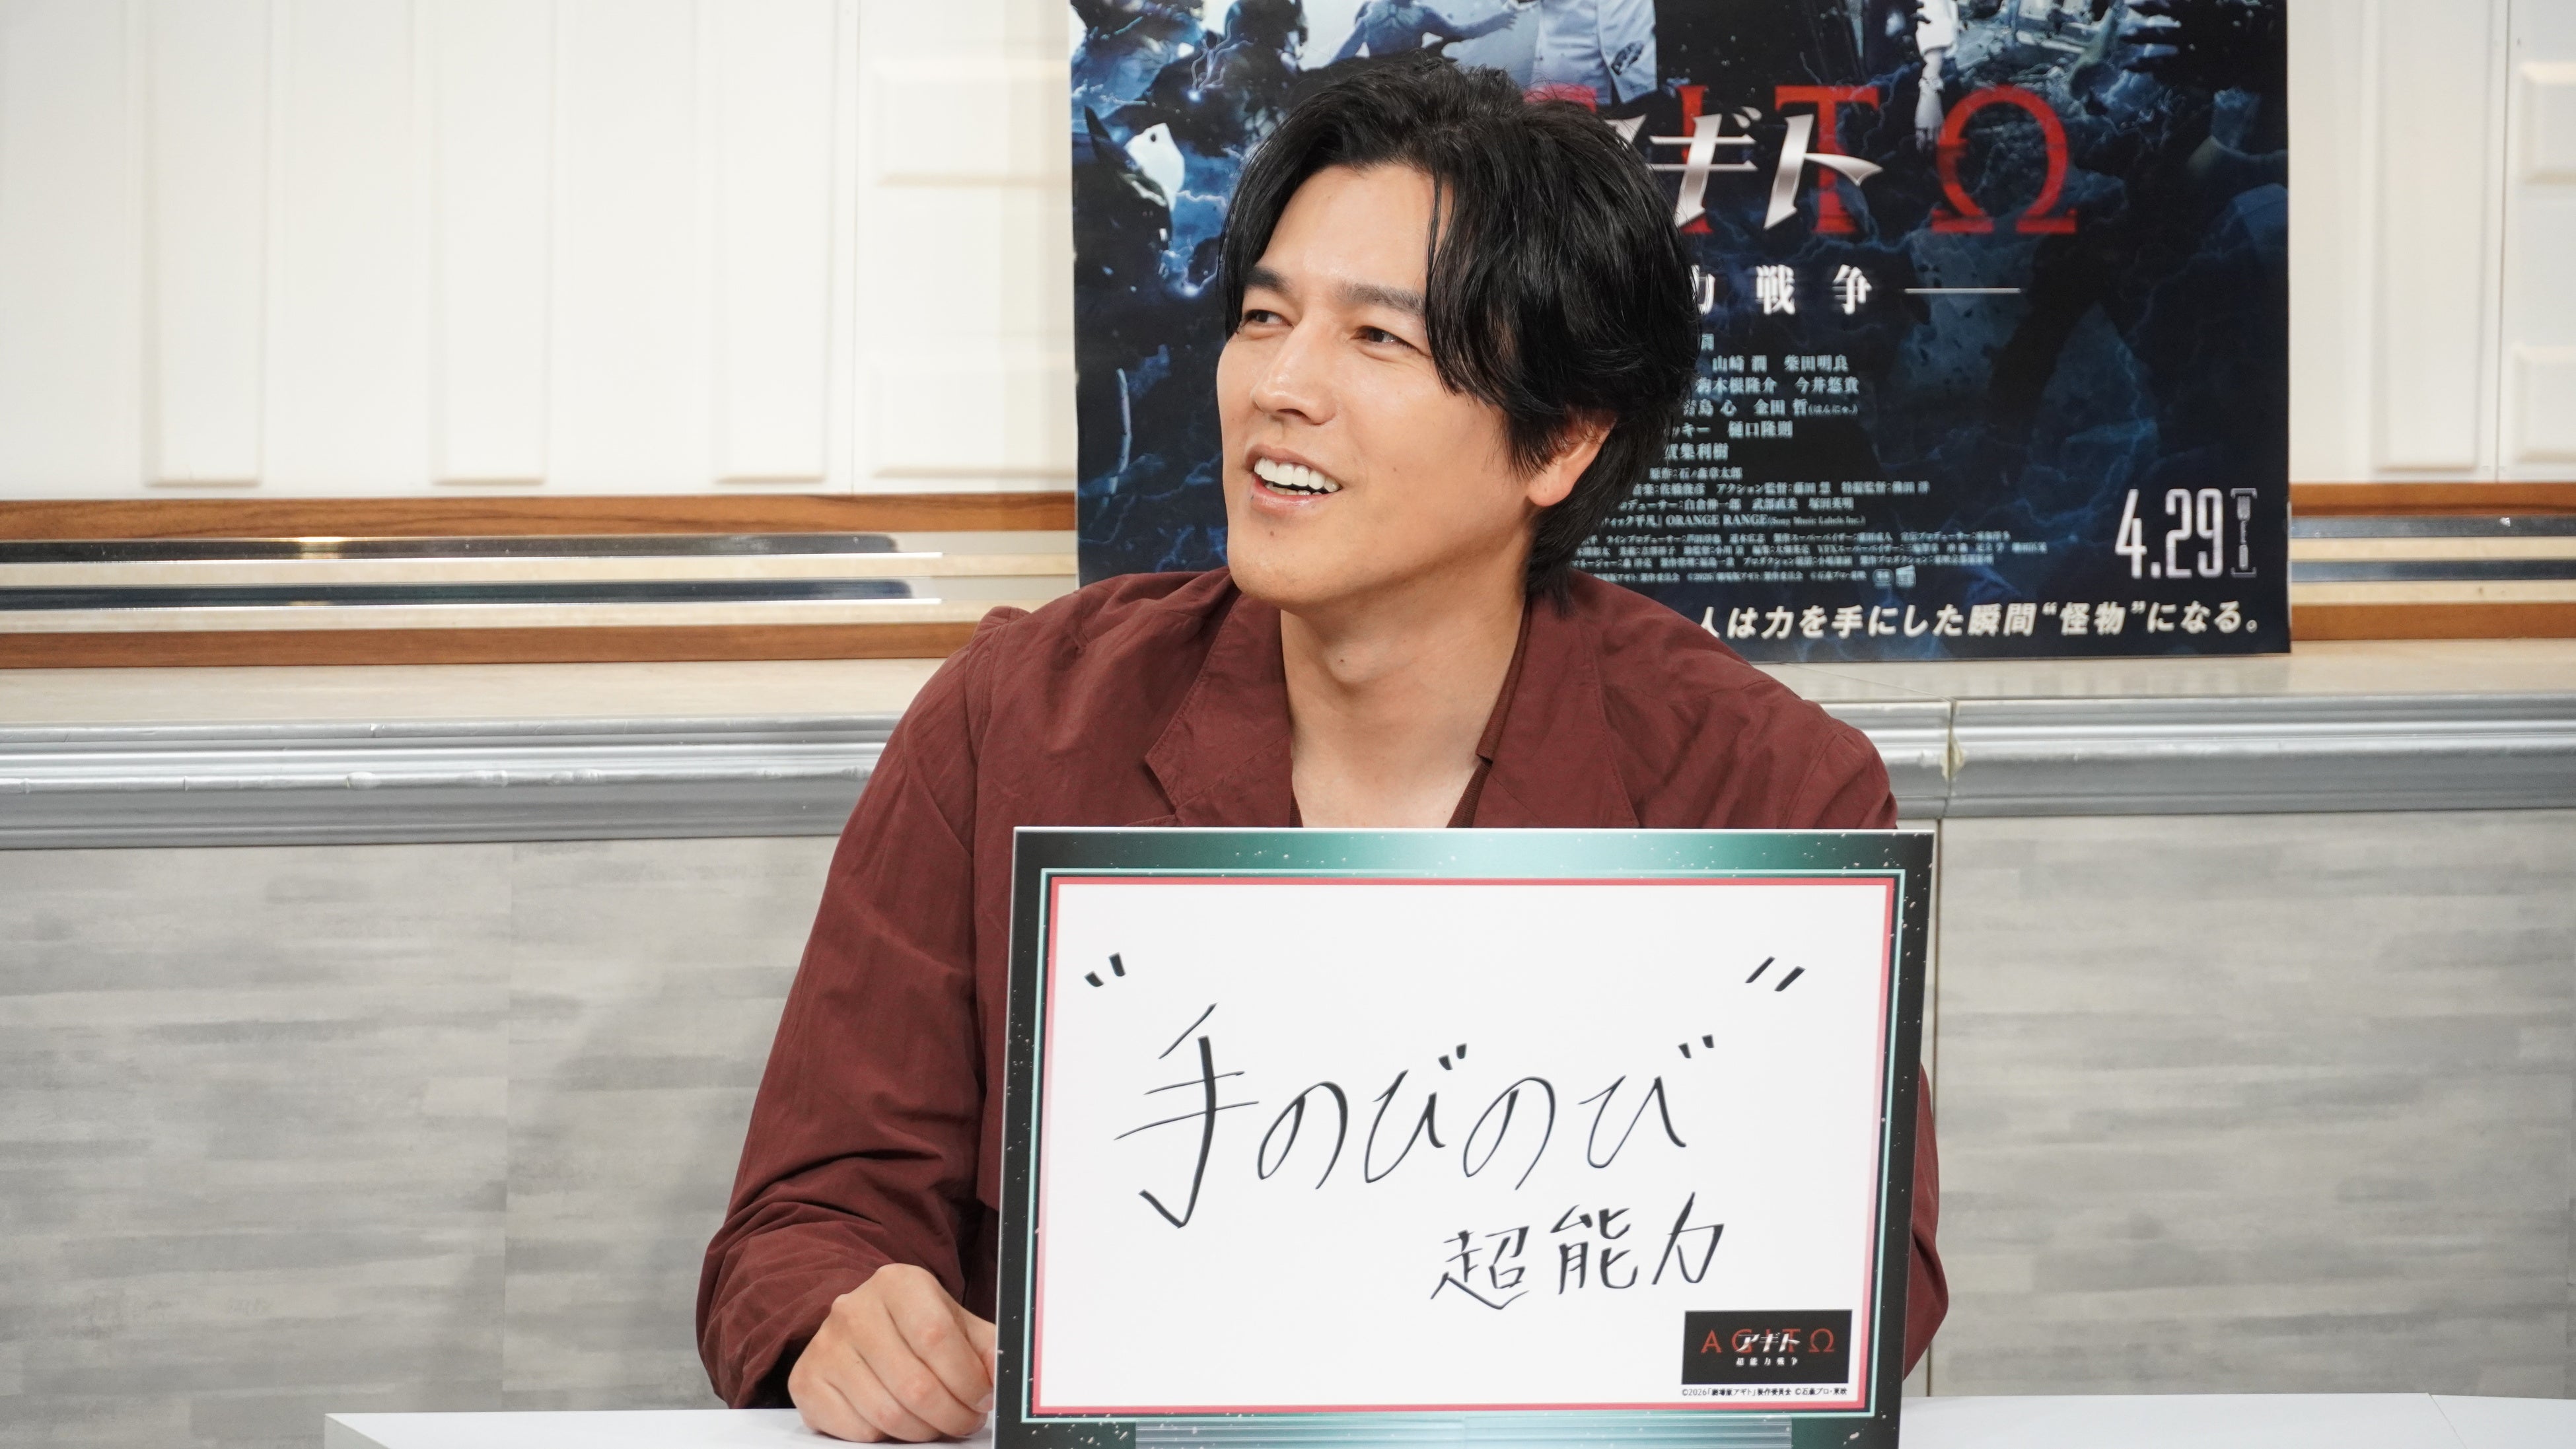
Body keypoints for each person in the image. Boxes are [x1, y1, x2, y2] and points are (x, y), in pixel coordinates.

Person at [698, 53, 1947, 1443]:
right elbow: (805, 1217)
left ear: (1562, 439)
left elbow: (1857, 1282)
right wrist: (851, 1317)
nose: (1280, 385)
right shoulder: (1014, 720)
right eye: (1263, 317)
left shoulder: (1766, 788)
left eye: (1377, 339)